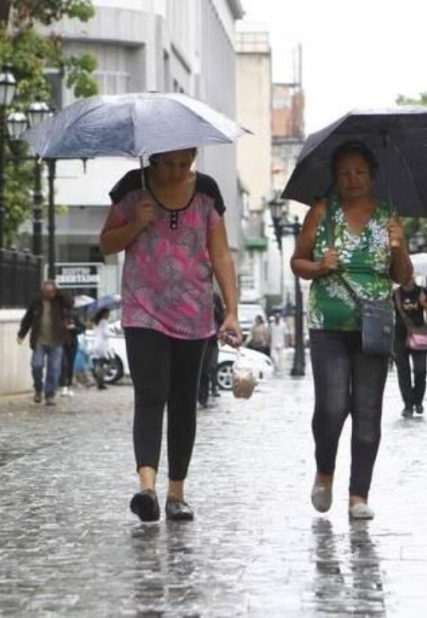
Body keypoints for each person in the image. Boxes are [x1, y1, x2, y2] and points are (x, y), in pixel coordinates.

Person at [100, 147, 241, 523]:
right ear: (154, 159)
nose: (178, 171)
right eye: (169, 164)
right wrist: (135, 223)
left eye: (185, 163)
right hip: (143, 309)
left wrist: (231, 311)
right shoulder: (133, 188)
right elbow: (106, 244)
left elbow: (221, 254)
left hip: (194, 313)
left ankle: (176, 493)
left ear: (194, 155)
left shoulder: (207, 192)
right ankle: (146, 488)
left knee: (182, 401)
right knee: (150, 394)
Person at [290, 140, 413, 520]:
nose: (352, 179)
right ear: (335, 177)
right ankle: (324, 470)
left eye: (360, 171)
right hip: (328, 323)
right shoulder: (322, 213)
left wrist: (398, 247)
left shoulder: (389, 218)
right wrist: (320, 265)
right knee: (331, 406)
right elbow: (298, 262)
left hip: (373, 324)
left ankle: (358, 494)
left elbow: (403, 278)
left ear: (372, 175)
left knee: (367, 412)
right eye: (344, 173)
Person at [17, 280, 73, 406]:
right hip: (39, 340)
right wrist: (21, 334)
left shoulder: (60, 301)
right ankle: (38, 388)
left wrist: (60, 292)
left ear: (55, 291)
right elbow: (28, 318)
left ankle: (49, 395)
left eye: (51, 292)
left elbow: (71, 303)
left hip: (56, 340)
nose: (49, 295)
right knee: (36, 365)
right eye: (46, 292)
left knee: (54, 369)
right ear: (42, 291)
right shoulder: (36, 301)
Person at [392, 276, 427, 417]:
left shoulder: (422, 292)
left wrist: (424, 303)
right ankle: (408, 405)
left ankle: (418, 401)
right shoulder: (396, 294)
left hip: (418, 336)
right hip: (400, 337)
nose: (407, 280)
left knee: (420, 370)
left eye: (409, 277)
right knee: (403, 372)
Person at [198, 292, 226, 407]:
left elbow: (221, 317)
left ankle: (203, 398)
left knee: (208, 368)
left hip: (211, 338)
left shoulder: (215, 297)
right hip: (196, 335)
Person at [60, 309, 85, 397]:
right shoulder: (58, 317)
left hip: (72, 344)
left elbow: (81, 328)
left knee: (70, 365)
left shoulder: (74, 317)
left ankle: (69, 385)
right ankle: (63, 385)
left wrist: (74, 328)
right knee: (64, 364)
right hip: (61, 344)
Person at [89, 308, 112, 391]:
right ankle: (100, 380)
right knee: (108, 363)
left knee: (100, 363)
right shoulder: (104, 322)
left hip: (96, 344)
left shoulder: (96, 322)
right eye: (108, 313)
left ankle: (100, 381)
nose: (109, 315)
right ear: (104, 314)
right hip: (102, 345)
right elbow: (106, 334)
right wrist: (111, 332)